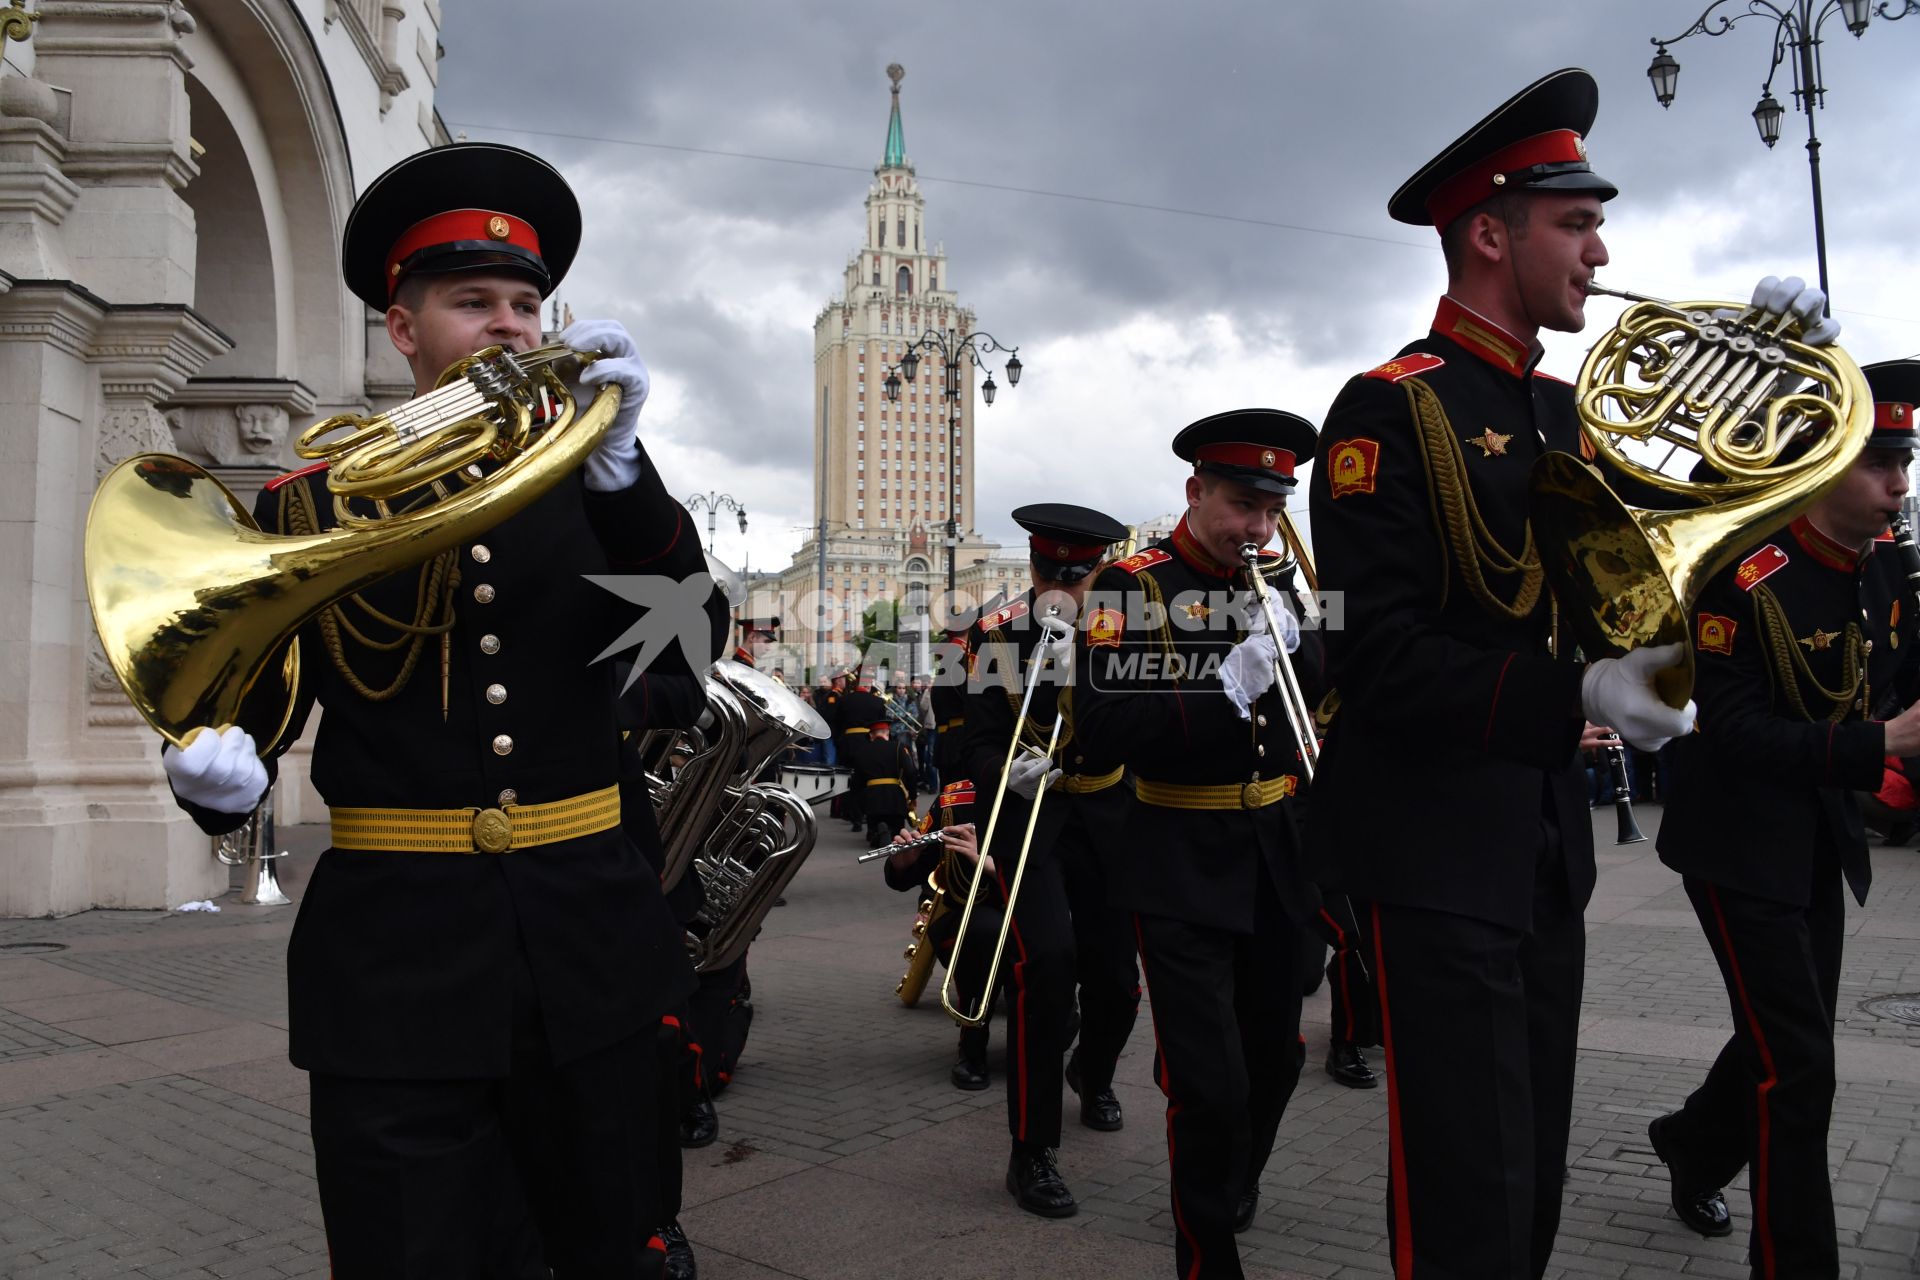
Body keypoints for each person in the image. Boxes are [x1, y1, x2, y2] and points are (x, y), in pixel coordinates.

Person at [1306, 69, 1835, 1278]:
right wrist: (1576, 696)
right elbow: (1374, 658)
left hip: (1543, 847)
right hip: (1434, 848)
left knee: (1529, 1174)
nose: (1602, 249)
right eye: (1577, 221)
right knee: (1469, 1200)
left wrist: (1776, 388)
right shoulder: (1387, 412)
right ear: (1491, 233)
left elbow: (1680, 557)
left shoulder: (1565, 409)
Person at [157, 142, 716, 1274]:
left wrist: (625, 476)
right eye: (474, 301)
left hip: (588, 935)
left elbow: (692, 650)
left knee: (618, 1243)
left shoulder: (594, 484)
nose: (512, 324)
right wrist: (222, 781)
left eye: (527, 301)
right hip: (396, 954)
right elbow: (256, 696)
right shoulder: (306, 498)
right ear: (402, 327)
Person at [1649, 358, 1920, 1277]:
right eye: (1880, 463)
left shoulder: (1884, 573)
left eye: (1906, 461)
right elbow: (1728, 732)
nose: (1900, 485)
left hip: (1818, 843)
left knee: (1784, 1039)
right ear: (1822, 459)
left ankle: (1692, 1142)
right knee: (1799, 1067)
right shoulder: (1745, 573)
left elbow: (1899, 681)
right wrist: (1877, 743)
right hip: (1735, 845)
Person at [1074, 410, 1320, 1278]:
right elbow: (1098, 732)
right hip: (1179, 856)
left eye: (1271, 509)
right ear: (1196, 492)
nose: (1258, 528)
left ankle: (1231, 1178)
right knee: (1208, 1085)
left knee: (1279, 1058)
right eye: (1243, 505)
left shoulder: (1282, 581)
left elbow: (1324, 697)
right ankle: (1206, 1256)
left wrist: (1309, 643)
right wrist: (1226, 686)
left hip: (1276, 853)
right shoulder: (1129, 587)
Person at [961, 503, 1140, 1218]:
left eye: (1079, 572)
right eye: (1050, 571)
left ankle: (1092, 1074)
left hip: (1107, 813)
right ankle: (1030, 1151)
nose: (1062, 584)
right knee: (1048, 966)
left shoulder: (1128, 634)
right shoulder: (997, 637)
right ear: (1033, 568)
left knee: (1118, 982)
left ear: (1099, 571)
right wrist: (1006, 769)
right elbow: (971, 740)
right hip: (1032, 820)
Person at [881, 783, 1001, 1088]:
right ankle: (972, 1046)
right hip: (977, 918)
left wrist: (993, 866)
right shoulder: (955, 800)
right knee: (982, 933)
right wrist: (903, 863)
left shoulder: (1058, 793)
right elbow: (914, 872)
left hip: (1038, 910)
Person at [845, 707, 920, 848]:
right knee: (898, 829)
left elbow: (857, 782)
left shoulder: (862, 751)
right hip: (895, 798)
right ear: (887, 733)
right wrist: (913, 795)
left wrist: (858, 805)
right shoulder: (898, 747)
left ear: (871, 735)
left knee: (874, 824)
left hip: (873, 798)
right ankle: (892, 833)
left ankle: (878, 831)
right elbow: (911, 772)